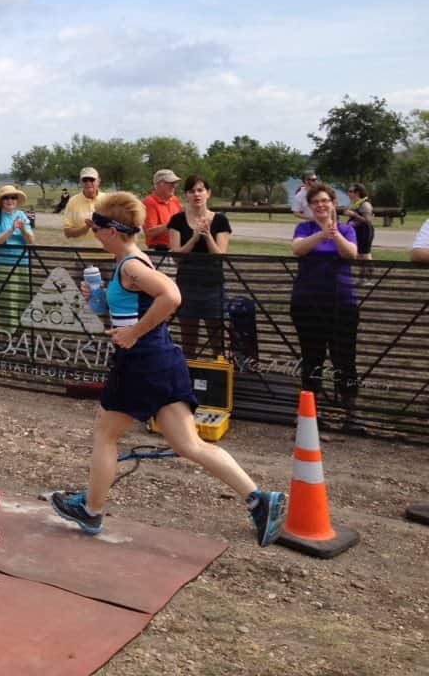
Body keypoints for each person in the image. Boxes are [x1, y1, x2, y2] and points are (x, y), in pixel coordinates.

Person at [49, 191, 286, 547]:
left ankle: (92, 510)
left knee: (105, 434)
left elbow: (172, 296)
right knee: (189, 444)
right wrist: (98, 301)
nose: (94, 233)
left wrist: (133, 332)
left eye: (97, 227)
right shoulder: (130, 262)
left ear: (112, 231)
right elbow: (131, 309)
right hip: (162, 359)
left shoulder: (130, 264)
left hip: (142, 362)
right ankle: (259, 500)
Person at [290, 182, 365, 435]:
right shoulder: (304, 227)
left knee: (345, 357)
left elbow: (351, 254)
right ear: (309, 207)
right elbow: (298, 248)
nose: (320, 205)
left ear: (333, 203)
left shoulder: (347, 229)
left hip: (342, 304)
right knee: (312, 357)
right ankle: (312, 413)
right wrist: (321, 234)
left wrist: (335, 234)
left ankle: (351, 413)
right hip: (307, 303)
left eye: (325, 201)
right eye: (315, 203)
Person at [167, 175, 231, 359]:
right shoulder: (177, 220)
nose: (197, 194)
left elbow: (219, 257)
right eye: (192, 190)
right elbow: (177, 257)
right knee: (189, 341)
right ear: (186, 194)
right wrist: (194, 238)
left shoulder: (220, 220)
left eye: (201, 190)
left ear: (208, 193)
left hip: (213, 287)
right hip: (186, 287)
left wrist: (207, 235)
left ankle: (218, 382)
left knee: (217, 341)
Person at [0, 185, 36, 329]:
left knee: (23, 296)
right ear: (1, 201)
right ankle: (9, 332)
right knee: (7, 299)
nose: (10, 200)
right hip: (3, 264)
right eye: (6, 198)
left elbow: (31, 240)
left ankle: (21, 328)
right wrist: (11, 230)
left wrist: (24, 229)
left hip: (23, 262)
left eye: (13, 197)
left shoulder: (22, 215)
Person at [63, 167, 110, 265]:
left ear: (98, 181)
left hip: (108, 255)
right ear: (80, 182)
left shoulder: (109, 200)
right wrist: (86, 228)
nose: (88, 183)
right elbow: (67, 232)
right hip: (82, 257)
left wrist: (102, 227)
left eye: (92, 179)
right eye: (85, 180)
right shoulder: (72, 202)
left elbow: (118, 228)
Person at [142, 169, 183, 252]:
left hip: (176, 249)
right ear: (158, 184)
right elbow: (150, 232)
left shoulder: (175, 200)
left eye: (175, 183)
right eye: (171, 183)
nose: (174, 186)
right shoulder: (149, 202)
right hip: (159, 251)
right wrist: (172, 223)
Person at [344, 184, 374, 283]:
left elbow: (368, 220)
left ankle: (369, 278)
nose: (348, 193)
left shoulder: (365, 204)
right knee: (359, 255)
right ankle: (362, 278)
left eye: (350, 191)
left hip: (365, 231)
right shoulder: (355, 203)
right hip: (357, 231)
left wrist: (354, 214)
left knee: (365, 254)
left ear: (357, 192)